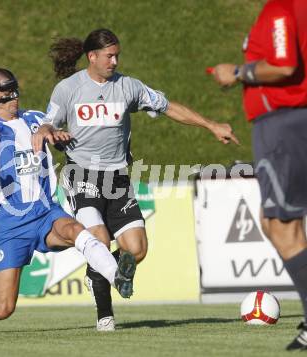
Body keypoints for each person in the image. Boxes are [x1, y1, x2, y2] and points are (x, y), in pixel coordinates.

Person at [32, 29, 239, 331]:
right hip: (81, 175)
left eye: (117, 55)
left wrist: (211, 125)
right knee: (100, 240)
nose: (114, 61)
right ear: (92, 57)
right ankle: (105, 317)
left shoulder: (129, 87)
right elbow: (48, 121)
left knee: (137, 249)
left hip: (117, 178)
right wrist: (46, 132)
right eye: (108, 56)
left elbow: (168, 107)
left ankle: (95, 274)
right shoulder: (68, 88)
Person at [0, 68, 136, 334]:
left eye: (15, 89)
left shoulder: (36, 119)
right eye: (6, 92)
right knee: (3, 308)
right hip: (12, 224)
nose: (13, 96)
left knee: (75, 230)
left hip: (46, 213)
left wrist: (62, 138)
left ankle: (116, 278)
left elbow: (57, 134)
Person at [211, 0, 307, 350]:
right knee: (275, 223)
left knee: (282, 225)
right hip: (286, 124)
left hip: (282, 124)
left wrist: (237, 73)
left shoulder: (282, 9)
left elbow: (283, 65)